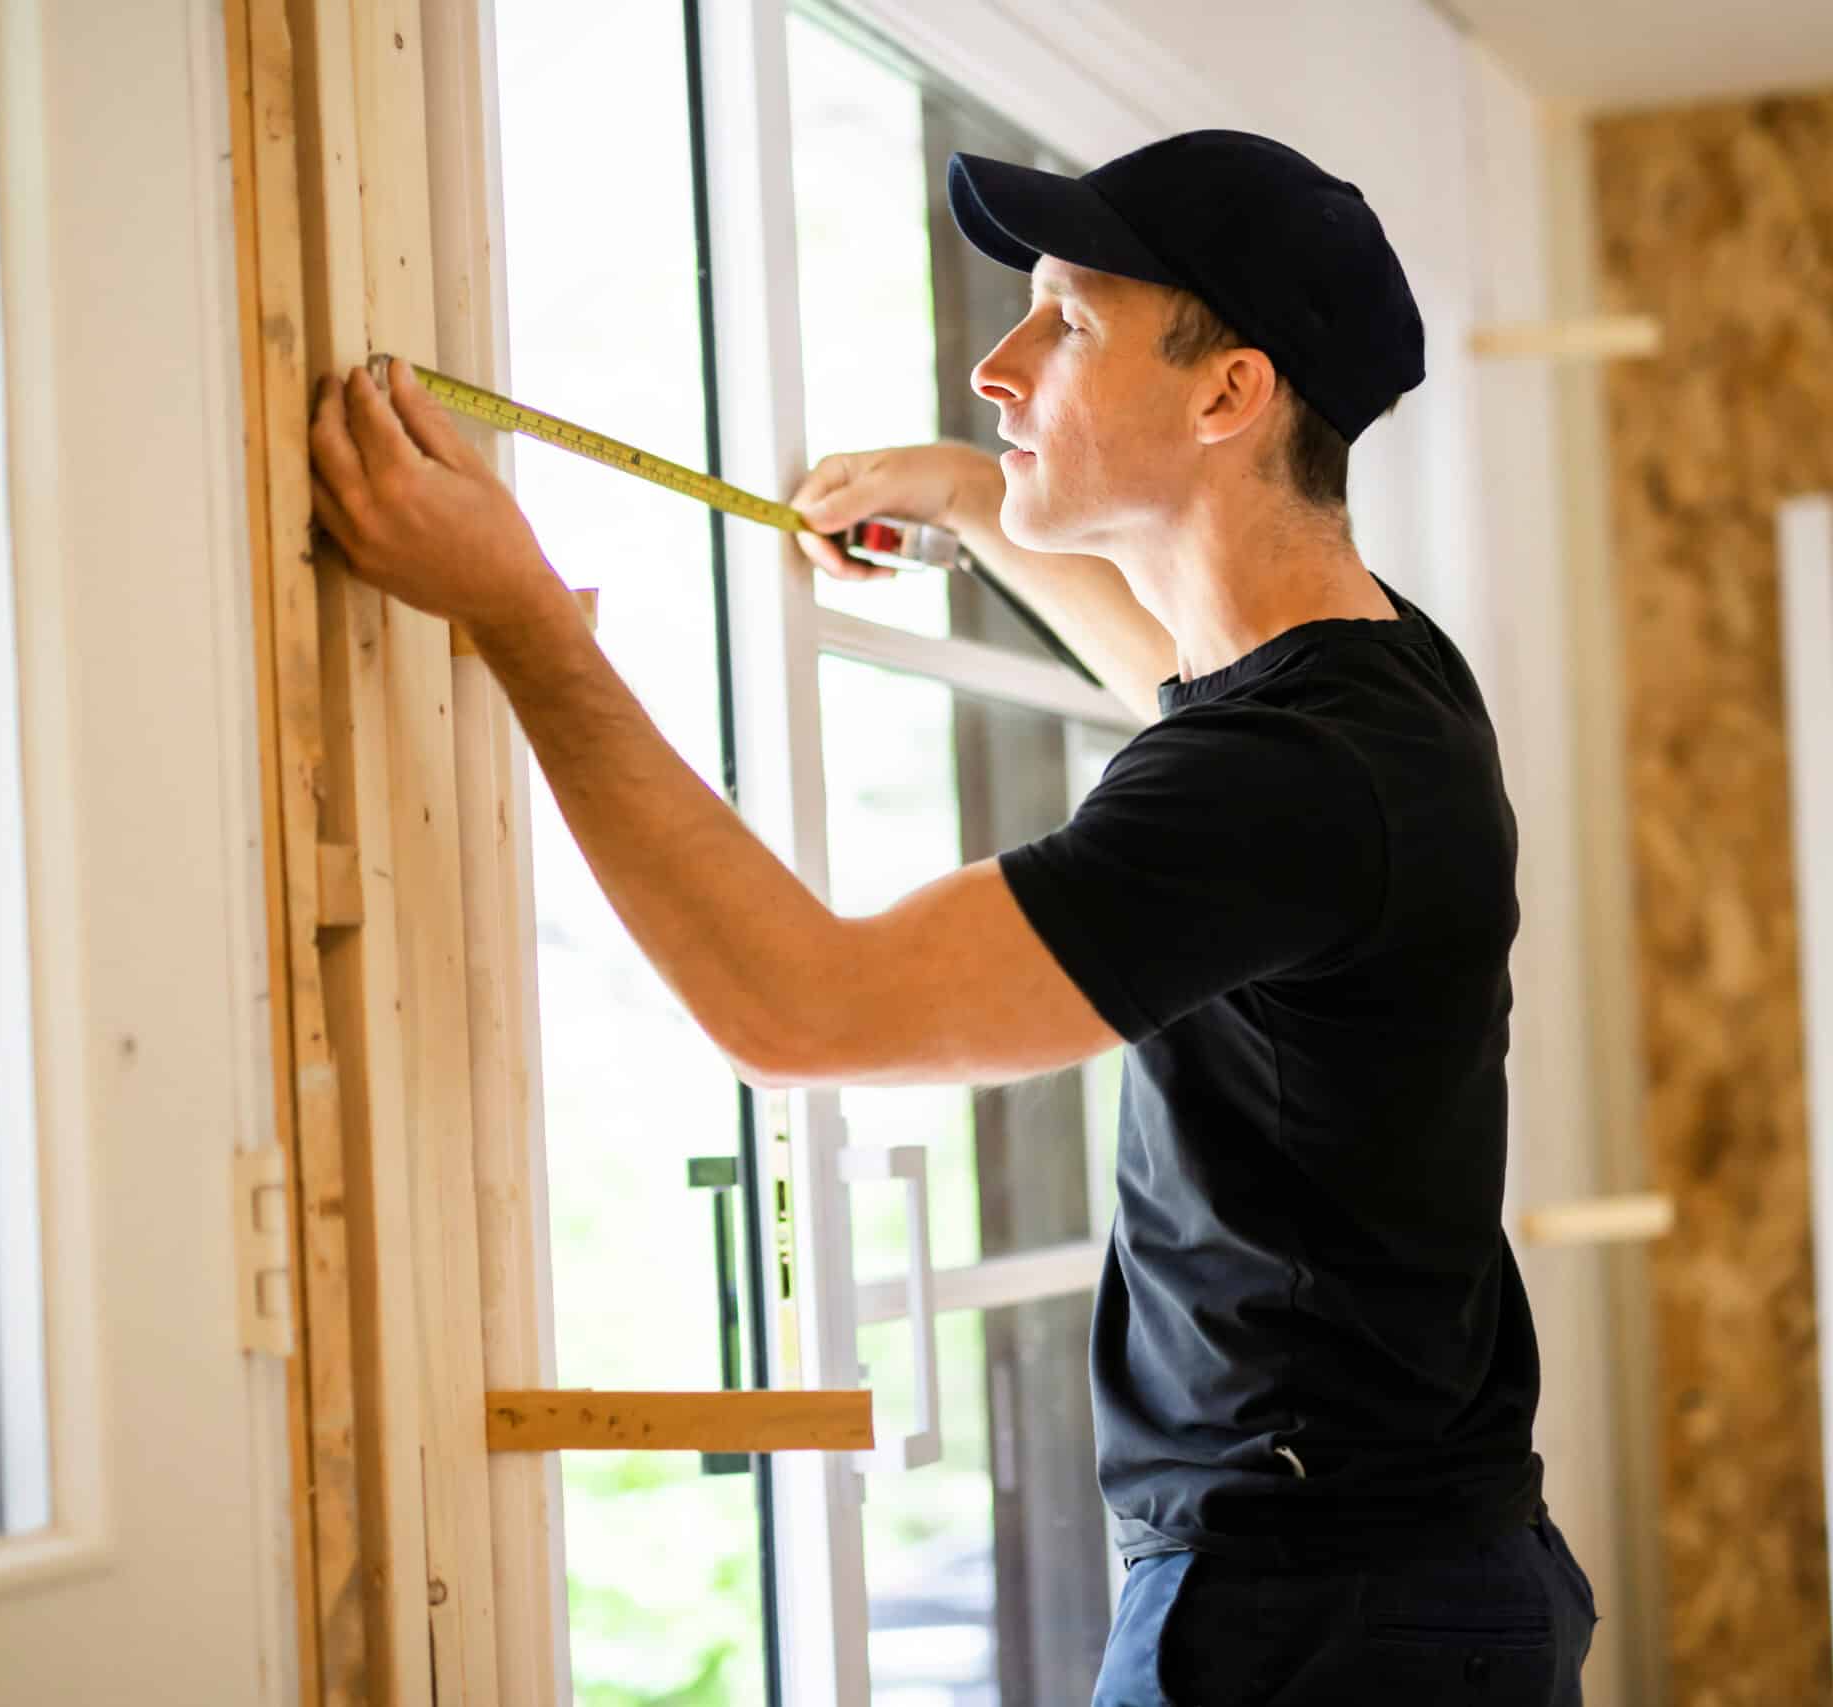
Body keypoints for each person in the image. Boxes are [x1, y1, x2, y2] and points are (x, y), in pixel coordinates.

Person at [310, 126, 1596, 1706]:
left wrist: (520, 619)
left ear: (1226, 395)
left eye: (1063, 322)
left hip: (1320, 1617)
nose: (997, 366)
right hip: (1394, 1569)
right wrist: (983, 509)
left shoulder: (1295, 777)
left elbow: (803, 1012)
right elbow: (1174, 686)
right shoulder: (1374, 678)